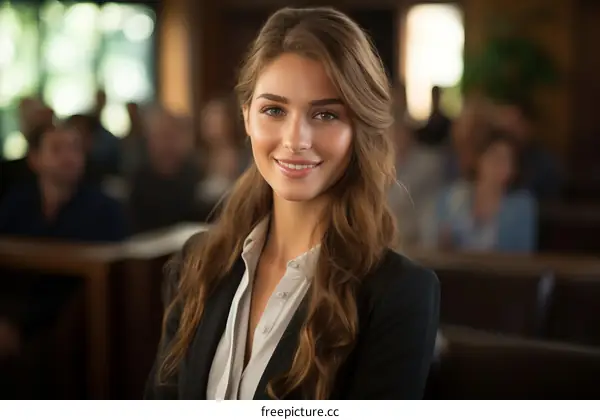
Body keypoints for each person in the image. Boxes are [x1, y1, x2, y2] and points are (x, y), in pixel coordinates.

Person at [144, 7, 440, 400]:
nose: (295, 139)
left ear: (359, 130)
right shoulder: (197, 263)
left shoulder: (400, 294)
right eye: (274, 110)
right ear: (247, 116)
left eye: (325, 114)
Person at [425, 130, 537, 253]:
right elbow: (432, 244)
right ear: (479, 159)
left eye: (508, 160)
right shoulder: (451, 196)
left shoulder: (521, 205)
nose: (501, 166)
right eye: (495, 157)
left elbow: (522, 255)